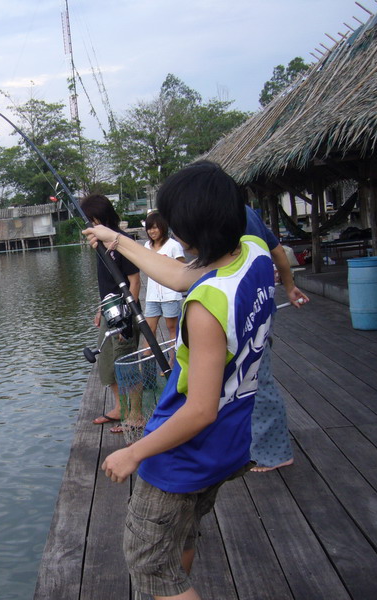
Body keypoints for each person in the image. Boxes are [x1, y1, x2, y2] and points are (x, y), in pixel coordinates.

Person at [83, 161, 276, 600]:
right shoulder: (253, 254)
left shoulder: (205, 308)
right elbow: (186, 275)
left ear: (189, 233)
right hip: (228, 444)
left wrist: (135, 452)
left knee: (150, 565)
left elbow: (200, 408)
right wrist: (118, 241)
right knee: (181, 538)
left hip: (181, 454)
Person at [244, 206, 309, 472]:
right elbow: (278, 251)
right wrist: (290, 286)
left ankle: (275, 453)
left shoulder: (233, 215)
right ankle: (253, 446)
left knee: (258, 382)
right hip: (257, 307)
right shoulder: (247, 212)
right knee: (251, 381)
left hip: (251, 310)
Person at [81, 194, 140, 433]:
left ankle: (135, 415)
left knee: (125, 362)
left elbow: (135, 281)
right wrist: (100, 309)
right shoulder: (100, 243)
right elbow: (106, 282)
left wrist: (128, 316)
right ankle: (120, 408)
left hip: (124, 313)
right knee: (106, 362)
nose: (88, 224)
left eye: (90, 219)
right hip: (108, 310)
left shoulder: (120, 241)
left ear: (99, 217)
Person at [142, 211, 185, 345]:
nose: (152, 231)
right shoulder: (146, 247)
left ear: (163, 227)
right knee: (149, 328)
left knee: (171, 327)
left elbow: (182, 268)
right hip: (152, 295)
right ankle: (148, 361)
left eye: (155, 227)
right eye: (149, 228)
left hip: (170, 295)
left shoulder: (173, 246)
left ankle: (173, 361)